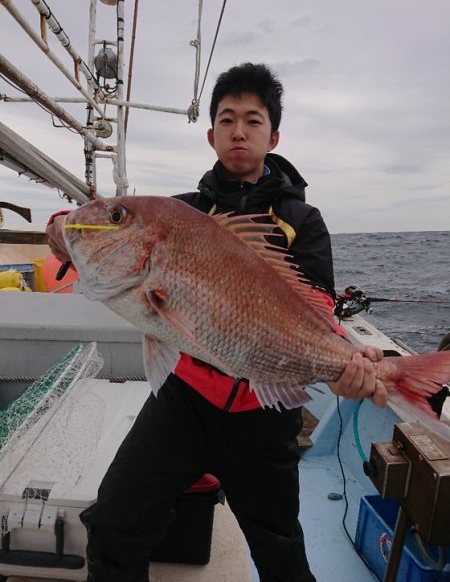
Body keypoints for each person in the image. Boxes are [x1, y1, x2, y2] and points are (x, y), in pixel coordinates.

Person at [46, 63, 387, 582]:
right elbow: (88, 224)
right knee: (114, 522)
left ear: (273, 136)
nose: (239, 131)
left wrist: (345, 363)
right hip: (184, 399)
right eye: (227, 120)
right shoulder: (184, 213)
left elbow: (316, 307)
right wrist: (59, 228)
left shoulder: (303, 221)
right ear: (211, 135)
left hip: (262, 413)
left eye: (252, 120)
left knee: (280, 552)